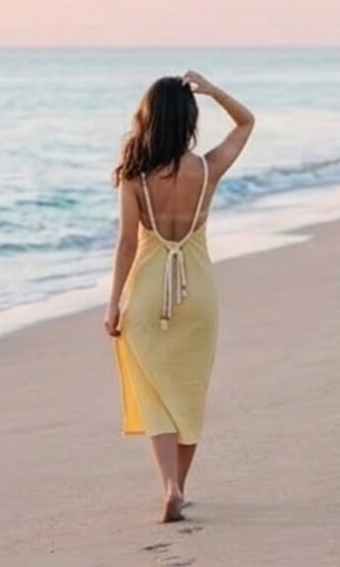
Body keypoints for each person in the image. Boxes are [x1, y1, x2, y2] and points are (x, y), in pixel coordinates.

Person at [104, 70, 255, 522]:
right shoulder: (206, 169)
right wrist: (212, 91)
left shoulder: (135, 177)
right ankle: (179, 488)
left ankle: (169, 486)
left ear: (147, 120)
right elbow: (246, 123)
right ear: (188, 118)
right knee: (188, 393)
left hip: (149, 294)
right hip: (198, 295)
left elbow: (128, 245)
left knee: (155, 394)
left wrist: (113, 304)